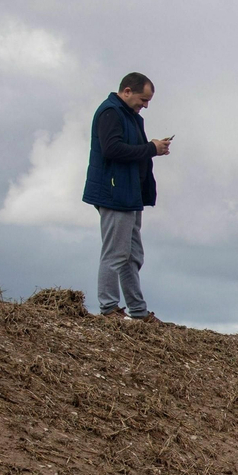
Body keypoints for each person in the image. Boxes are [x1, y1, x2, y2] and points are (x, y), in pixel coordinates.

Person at [82, 72, 171, 322]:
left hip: (130, 193)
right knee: (116, 252)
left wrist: (152, 150)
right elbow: (112, 149)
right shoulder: (110, 112)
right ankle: (109, 308)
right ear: (127, 91)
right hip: (114, 193)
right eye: (143, 99)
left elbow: (131, 151)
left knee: (132, 254)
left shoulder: (130, 116)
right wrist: (151, 148)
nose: (145, 105)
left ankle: (138, 311)